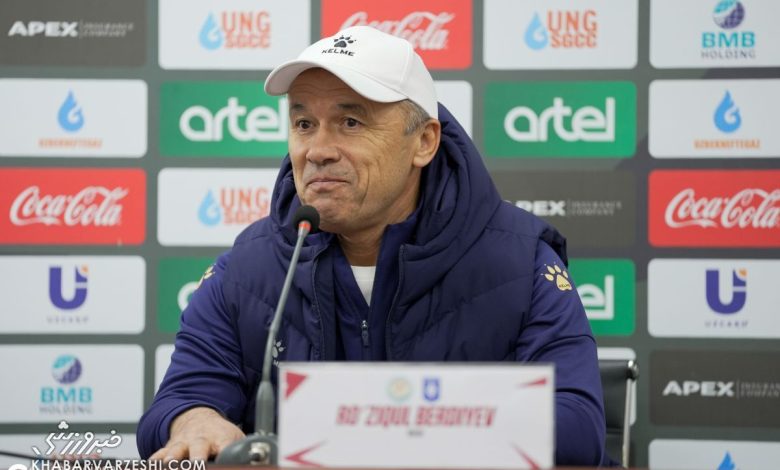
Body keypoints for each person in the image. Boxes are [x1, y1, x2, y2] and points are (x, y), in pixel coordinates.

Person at [138, 26, 609, 466]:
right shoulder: (248, 268)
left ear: (423, 142)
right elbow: (178, 402)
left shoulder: (521, 262)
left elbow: (577, 428)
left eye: (350, 122)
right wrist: (193, 420)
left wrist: (389, 429)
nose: (317, 150)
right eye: (304, 123)